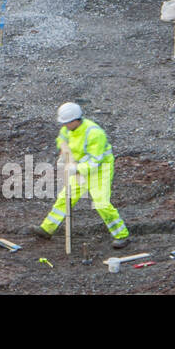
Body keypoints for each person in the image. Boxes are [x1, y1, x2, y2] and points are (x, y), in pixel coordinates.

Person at [30, 102, 130, 249]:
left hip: (100, 170)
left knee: (101, 204)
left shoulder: (94, 133)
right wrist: (63, 153)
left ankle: (121, 236)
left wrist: (75, 169)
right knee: (65, 198)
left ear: (76, 120)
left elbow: (95, 162)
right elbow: (62, 140)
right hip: (77, 168)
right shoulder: (67, 129)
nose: (64, 126)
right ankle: (47, 229)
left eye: (67, 123)